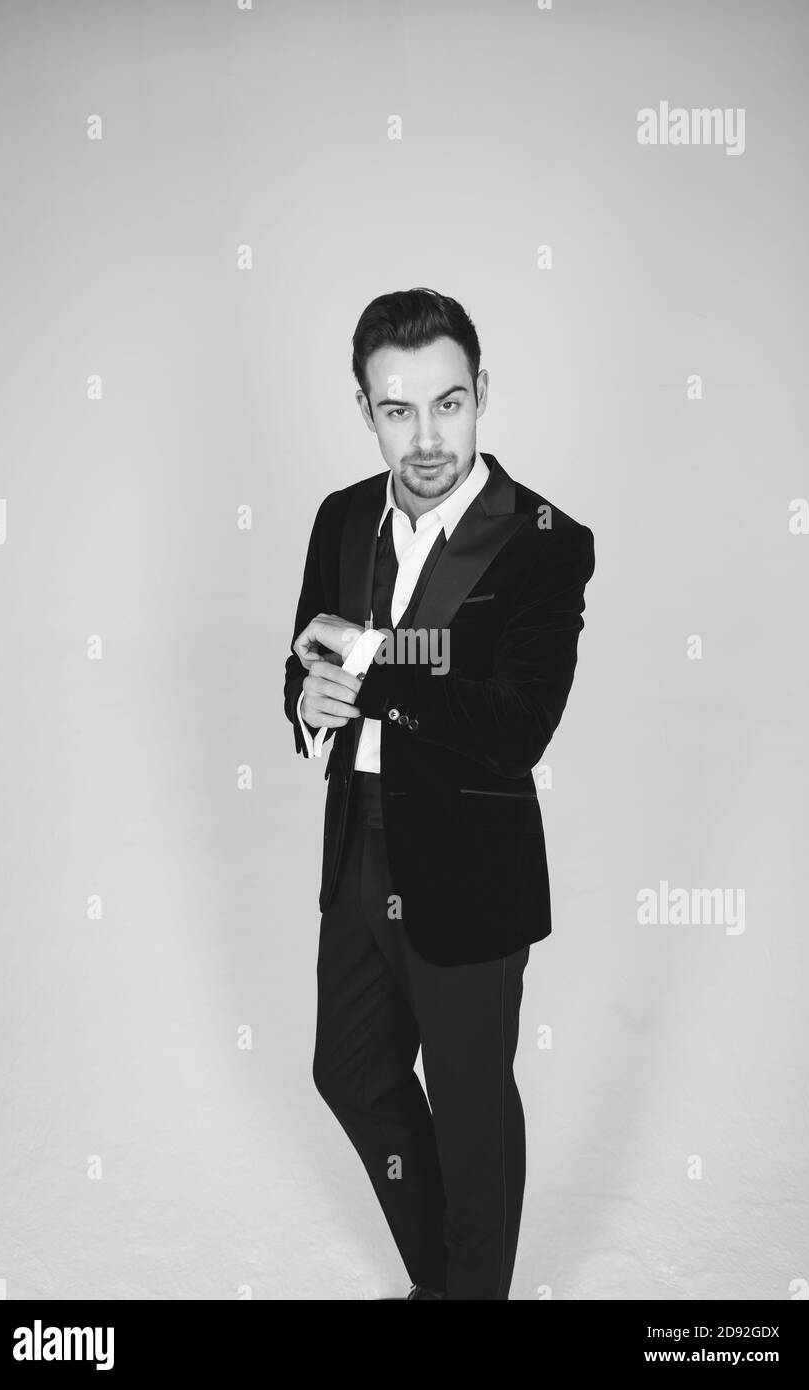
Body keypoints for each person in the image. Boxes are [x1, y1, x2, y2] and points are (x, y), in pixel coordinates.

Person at [283, 287, 595, 1300]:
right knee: (351, 1073)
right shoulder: (339, 519)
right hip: (359, 848)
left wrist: (372, 677)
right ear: (364, 409)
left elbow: (512, 727)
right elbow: (303, 664)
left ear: (482, 395)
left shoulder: (543, 541)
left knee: (466, 1110)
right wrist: (309, 703)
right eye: (396, 410)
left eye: (447, 404)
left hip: (469, 865)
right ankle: (449, 1283)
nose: (425, 437)